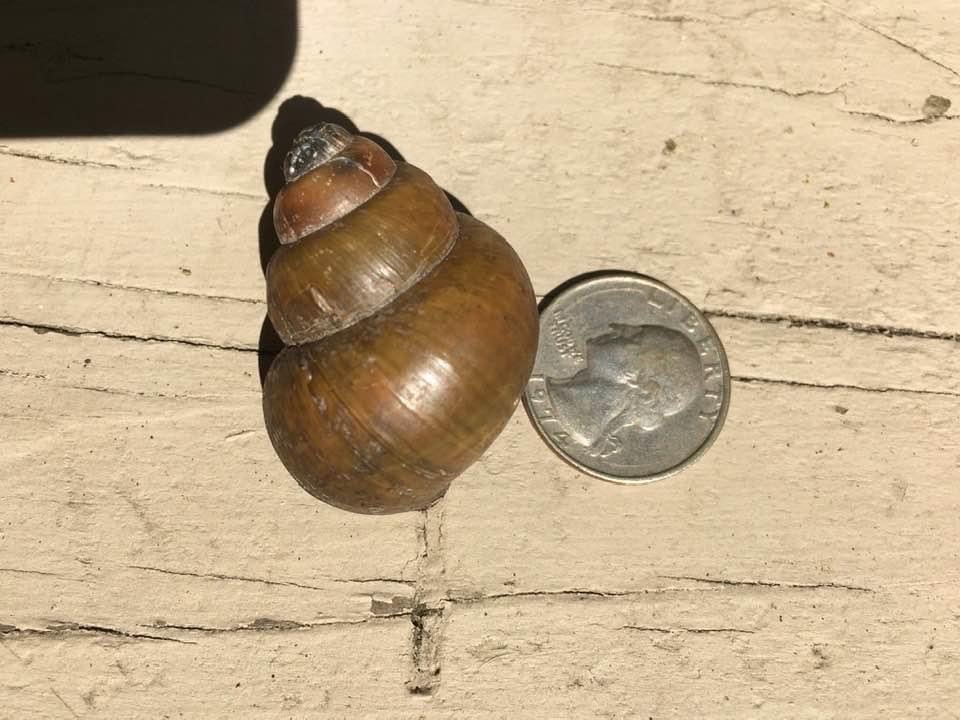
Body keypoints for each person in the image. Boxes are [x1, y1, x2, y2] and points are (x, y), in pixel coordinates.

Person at [545, 324, 703, 458]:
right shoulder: (567, 393)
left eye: (632, 340)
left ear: (634, 374)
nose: (615, 332)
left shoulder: (580, 422)